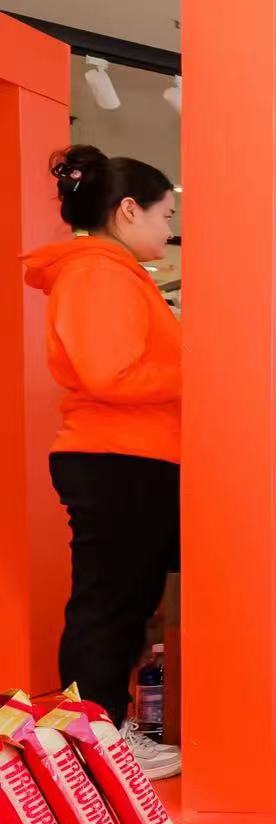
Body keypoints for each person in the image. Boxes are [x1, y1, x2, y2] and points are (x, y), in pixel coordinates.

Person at [21, 146, 183, 780]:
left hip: (128, 457)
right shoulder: (99, 272)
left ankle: (100, 731)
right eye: (164, 214)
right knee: (111, 601)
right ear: (126, 211)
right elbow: (111, 373)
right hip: (121, 459)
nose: (168, 228)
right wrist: (203, 364)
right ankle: (96, 739)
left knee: (122, 597)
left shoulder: (108, 271)